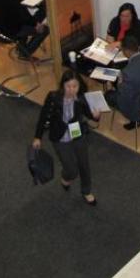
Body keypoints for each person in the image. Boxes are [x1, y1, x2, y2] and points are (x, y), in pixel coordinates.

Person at [32, 70, 101, 206]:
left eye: (75, 86)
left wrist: (97, 115)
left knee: (84, 164)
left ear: (79, 86)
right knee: (71, 170)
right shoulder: (53, 98)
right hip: (60, 137)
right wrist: (37, 137)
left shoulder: (81, 99)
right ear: (62, 85)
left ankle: (86, 191)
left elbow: (91, 116)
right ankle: (66, 177)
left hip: (76, 133)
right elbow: (44, 117)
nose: (71, 90)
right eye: (68, 86)